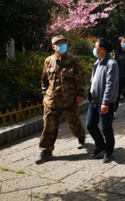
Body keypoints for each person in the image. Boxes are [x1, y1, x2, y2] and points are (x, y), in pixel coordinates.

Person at [36, 35, 86, 164]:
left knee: (73, 122)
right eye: (59, 43)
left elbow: (80, 77)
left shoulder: (73, 60)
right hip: (52, 99)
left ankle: (80, 136)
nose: (62, 45)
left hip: (69, 99)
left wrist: (80, 94)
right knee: (48, 126)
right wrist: (44, 94)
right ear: (53, 47)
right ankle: (46, 151)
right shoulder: (48, 61)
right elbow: (44, 80)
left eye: (64, 43)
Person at [87, 38, 119, 163]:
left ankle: (109, 151)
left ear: (102, 49)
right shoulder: (97, 62)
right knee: (90, 125)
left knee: (106, 128)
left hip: (105, 102)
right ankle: (100, 145)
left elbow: (110, 84)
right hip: (94, 100)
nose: (94, 49)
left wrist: (105, 102)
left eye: (96, 47)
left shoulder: (111, 63)